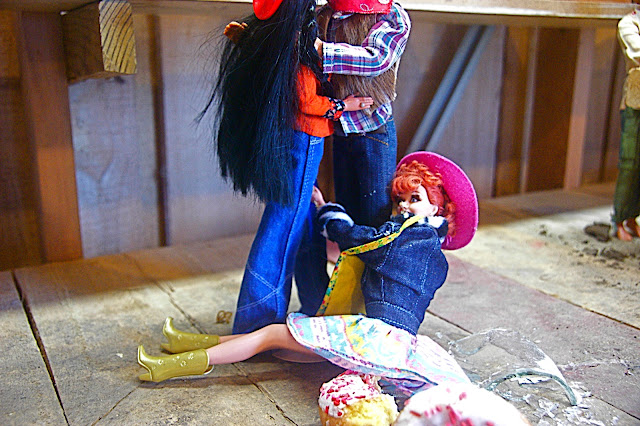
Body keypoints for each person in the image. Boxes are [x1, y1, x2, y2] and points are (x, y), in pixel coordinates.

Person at [137, 152, 478, 394]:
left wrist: (325, 210)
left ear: (438, 208)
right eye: (398, 200)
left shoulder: (408, 239)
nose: (402, 206)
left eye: (414, 198)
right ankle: (186, 345)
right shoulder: (432, 254)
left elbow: (354, 237)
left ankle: (169, 367)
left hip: (376, 340)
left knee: (270, 336)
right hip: (388, 343)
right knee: (275, 342)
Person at [202, 0, 373, 334]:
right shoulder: (294, 52)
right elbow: (307, 102)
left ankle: (314, 301)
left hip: (301, 138)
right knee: (286, 221)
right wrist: (343, 105)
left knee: (303, 219)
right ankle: (259, 318)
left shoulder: (283, 43)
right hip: (305, 138)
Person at [316, 0, 412, 228]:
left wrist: (321, 50)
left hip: (373, 127)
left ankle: (371, 252)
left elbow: (376, 59)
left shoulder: (391, 15)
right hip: (340, 127)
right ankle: (347, 250)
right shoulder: (327, 14)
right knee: (346, 210)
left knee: (375, 215)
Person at [614, 1, 640, 241]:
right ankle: (619, 218)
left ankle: (633, 216)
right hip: (635, 102)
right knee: (629, 163)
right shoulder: (629, 23)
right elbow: (637, 53)